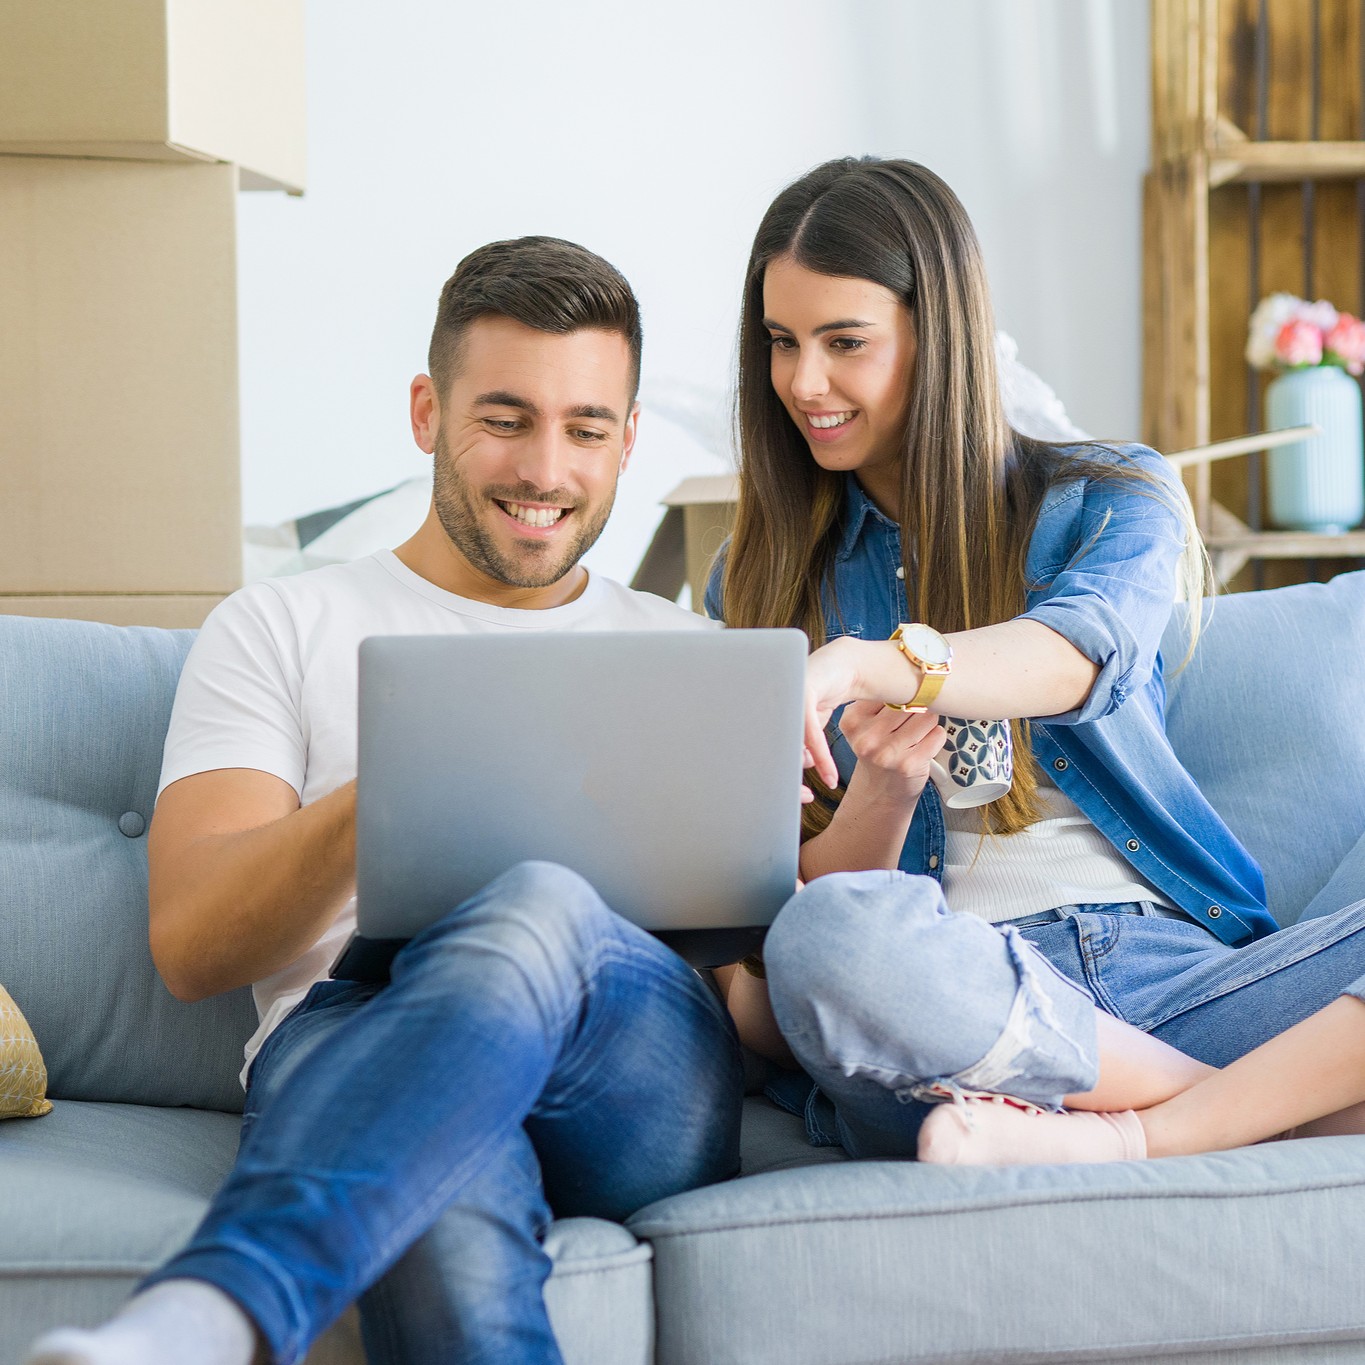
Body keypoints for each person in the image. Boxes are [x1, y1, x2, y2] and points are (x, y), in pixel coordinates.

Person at [29, 237, 743, 1365]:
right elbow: (193, 945)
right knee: (442, 1219)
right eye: (504, 418)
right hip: (352, 1034)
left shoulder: (692, 655)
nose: (545, 469)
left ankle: (214, 1313)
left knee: (539, 904)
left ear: (627, 440)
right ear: (427, 411)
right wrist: (396, 797)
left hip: (634, 1074)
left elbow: (751, 1003)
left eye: (586, 428)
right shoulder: (279, 627)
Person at [707, 156, 1365, 1168]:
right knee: (821, 943)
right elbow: (786, 926)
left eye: (845, 343)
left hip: (1171, 984)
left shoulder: (1113, 498)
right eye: (782, 344)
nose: (804, 383)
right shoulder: (752, 582)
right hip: (948, 1011)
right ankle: (1258, 1114)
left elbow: (1078, 657)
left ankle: (1133, 1133)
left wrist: (875, 662)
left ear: (940, 336)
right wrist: (881, 796)